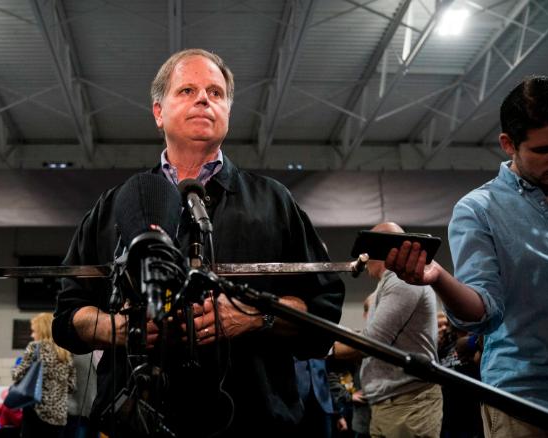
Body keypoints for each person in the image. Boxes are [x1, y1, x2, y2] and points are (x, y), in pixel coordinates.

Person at [53, 48, 344, 437]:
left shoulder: (274, 202)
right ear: (159, 113)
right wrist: (118, 328)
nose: (204, 99)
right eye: (187, 90)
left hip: (254, 422)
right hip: (138, 422)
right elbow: (67, 318)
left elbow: (323, 315)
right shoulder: (114, 207)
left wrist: (253, 318)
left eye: (216, 92)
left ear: (227, 110)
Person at [386, 75, 548, 435]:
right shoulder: (478, 210)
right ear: (508, 144)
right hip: (525, 402)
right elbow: (482, 313)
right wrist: (440, 278)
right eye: (542, 151)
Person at [334, 222, 442, 438]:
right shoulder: (385, 286)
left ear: (382, 249)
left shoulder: (403, 281)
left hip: (408, 403)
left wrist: (327, 350)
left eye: (367, 250)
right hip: (389, 404)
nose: (363, 259)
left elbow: (374, 342)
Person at [13, 312, 75, 438]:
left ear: (42, 330)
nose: (32, 335)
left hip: (36, 412)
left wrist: (15, 368)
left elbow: (17, 375)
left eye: (34, 331)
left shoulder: (35, 347)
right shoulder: (65, 352)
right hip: (59, 416)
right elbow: (71, 386)